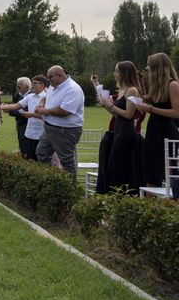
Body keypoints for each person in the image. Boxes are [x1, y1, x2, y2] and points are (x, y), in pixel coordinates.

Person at [94, 61, 145, 194]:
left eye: (117, 71)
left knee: (121, 168)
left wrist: (110, 105)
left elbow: (129, 115)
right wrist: (106, 105)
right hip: (118, 132)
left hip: (126, 135)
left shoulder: (132, 90)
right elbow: (116, 114)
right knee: (114, 167)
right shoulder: (122, 90)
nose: (115, 74)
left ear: (124, 73)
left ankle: (125, 196)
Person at [133, 53, 179, 187]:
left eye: (149, 66)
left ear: (158, 68)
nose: (147, 69)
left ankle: (171, 204)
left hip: (166, 132)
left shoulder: (173, 84)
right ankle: (149, 205)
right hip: (154, 130)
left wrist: (151, 109)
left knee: (168, 171)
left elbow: (176, 112)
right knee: (151, 170)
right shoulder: (157, 86)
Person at [35, 65, 85, 177]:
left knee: (66, 160)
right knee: (41, 153)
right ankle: (51, 181)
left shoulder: (72, 89)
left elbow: (65, 111)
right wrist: (41, 104)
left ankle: (70, 189)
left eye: (50, 77)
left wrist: (45, 111)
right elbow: (46, 96)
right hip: (49, 127)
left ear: (60, 75)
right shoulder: (54, 86)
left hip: (65, 130)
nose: (48, 80)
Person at [0, 75, 48, 161]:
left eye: (35, 83)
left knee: (40, 159)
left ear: (42, 85)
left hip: (41, 134)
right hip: (29, 133)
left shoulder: (47, 98)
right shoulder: (29, 97)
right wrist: (3, 107)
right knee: (29, 158)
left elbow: (47, 117)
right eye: (32, 83)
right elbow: (16, 105)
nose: (32, 85)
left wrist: (32, 115)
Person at [8, 77, 31, 157]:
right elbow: (16, 106)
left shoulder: (30, 96)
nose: (17, 88)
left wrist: (8, 110)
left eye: (19, 86)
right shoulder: (21, 95)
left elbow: (24, 111)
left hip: (26, 124)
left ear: (26, 86)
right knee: (21, 141)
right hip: (21, 123)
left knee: (26, 145)